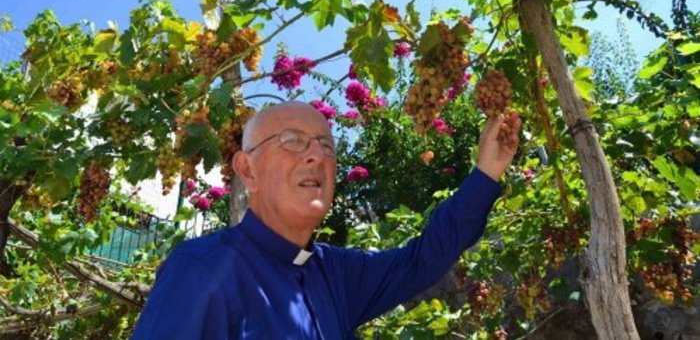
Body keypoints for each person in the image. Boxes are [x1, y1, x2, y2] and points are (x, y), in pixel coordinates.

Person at [131, 101, 521, 339]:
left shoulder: (336, 273)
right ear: (247, 170)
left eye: (326, 145)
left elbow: (423, 259)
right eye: (292, 141)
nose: (316, 155)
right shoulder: (202, 270)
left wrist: (486, 172)